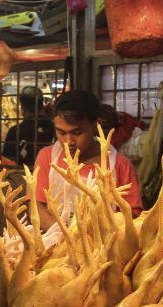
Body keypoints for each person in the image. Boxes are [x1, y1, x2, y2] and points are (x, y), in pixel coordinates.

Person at [34, 90, 143, 231]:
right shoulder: (47, 157)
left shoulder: (119, 165)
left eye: (77, 133)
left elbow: (133, 216)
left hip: (104, 248)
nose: (68, 141)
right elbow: (37, 204)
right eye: (61, 132)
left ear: (94, 125)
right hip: (57, 245)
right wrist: (63, 237)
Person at [2, 86, 54, 168]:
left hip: (22, 177)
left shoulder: (15, 131)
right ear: (41, 105)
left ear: (22, 108)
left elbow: (7, 161)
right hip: (51, 174)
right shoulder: (55, 128)